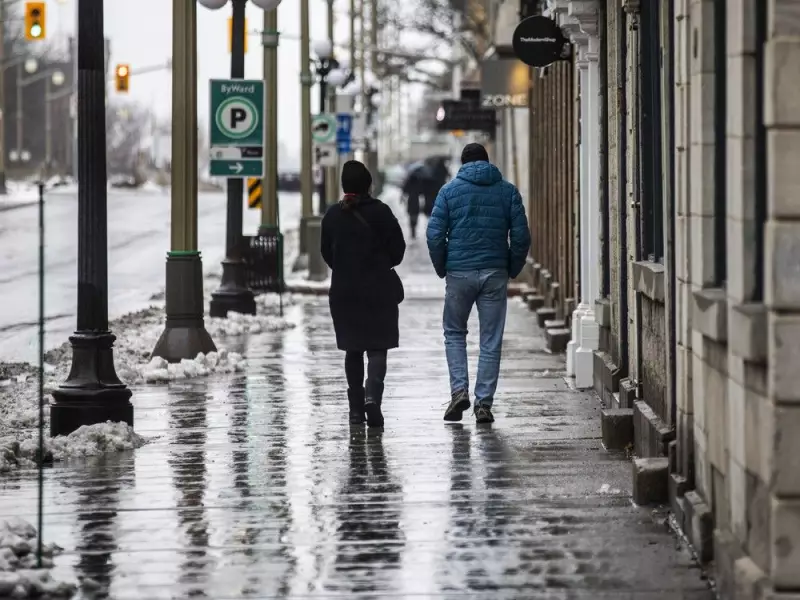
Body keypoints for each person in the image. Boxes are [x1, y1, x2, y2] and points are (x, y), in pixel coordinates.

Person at [426, 143, 531, 424]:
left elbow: (435, 235)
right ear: (487, 162)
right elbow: (521, 237)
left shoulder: (448, 192)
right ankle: (483, 404)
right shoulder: (507, 191)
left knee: (454, 332)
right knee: (490, 339)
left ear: (463, 164)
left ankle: (459, 390)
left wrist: (443, 268)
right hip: (495, 272)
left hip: (459, 272)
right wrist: (511, 268)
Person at [321, 160, 407, 428]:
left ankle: (356, 410)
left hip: (345, 292)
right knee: (377, 347)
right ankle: (373, 397)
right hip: (378, 289)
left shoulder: (333, 215)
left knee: (353, 348)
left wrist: (347, 268)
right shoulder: (381, 212)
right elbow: (398, 251)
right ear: (369, 185)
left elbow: (327, 253)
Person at [401, 163, 425, 239]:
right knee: (415, 215)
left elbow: (405, 190)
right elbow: (422, 191)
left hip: (410, 200)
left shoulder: (408, 181)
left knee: (411, 215)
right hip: (416, 200)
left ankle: (412, 230)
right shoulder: (419, 180)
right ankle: (414, 228)